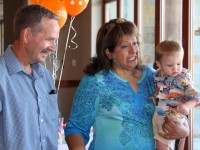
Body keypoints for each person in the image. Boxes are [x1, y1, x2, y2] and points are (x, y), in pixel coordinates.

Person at [65, 18, 189, 150]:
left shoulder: (153, 76)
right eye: (125, 46)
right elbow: (76, 128)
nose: (133, 50)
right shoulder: (95, 81)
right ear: (109, 53)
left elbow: (175, 107)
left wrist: (184, 131)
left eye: (135, 43)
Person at [0, 5, 60, 150]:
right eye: (49, 40)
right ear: (27, 35)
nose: (53, 48)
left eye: (55, 41)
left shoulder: (45, 76)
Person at [152, 40, 200, 150]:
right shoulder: (158, 74)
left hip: (172, 116)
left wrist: (187, 106)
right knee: (158, 142)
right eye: (170, 65)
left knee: (162, 145)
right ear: (159, 64)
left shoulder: (182, 78)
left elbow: (196, 97)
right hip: (159, 113)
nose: (175, 68)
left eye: (179, 64)